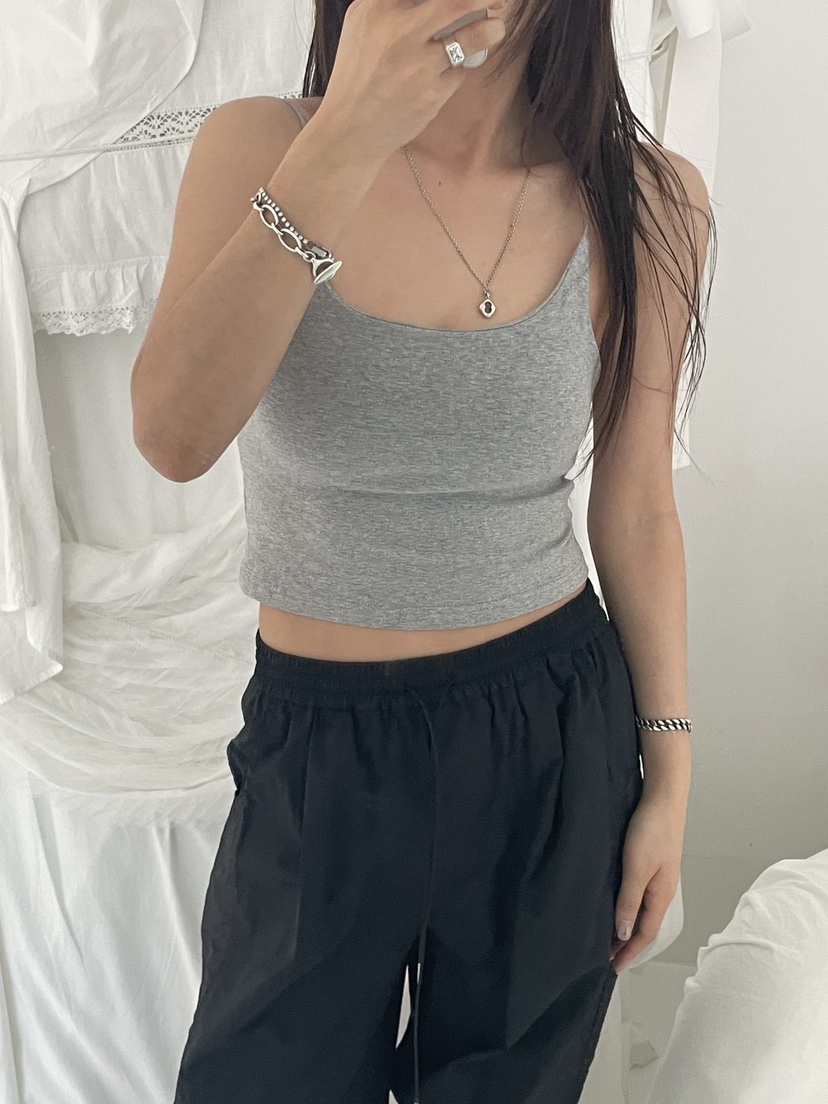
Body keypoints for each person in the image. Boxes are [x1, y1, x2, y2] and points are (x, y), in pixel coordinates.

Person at [130, 0, 712, 1100]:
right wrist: (349, 132)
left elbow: (637, 506)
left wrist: (670, 776)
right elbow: (173, 436)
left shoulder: (648, 199)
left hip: (552, 740)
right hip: (319, 747)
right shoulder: (260, 146)